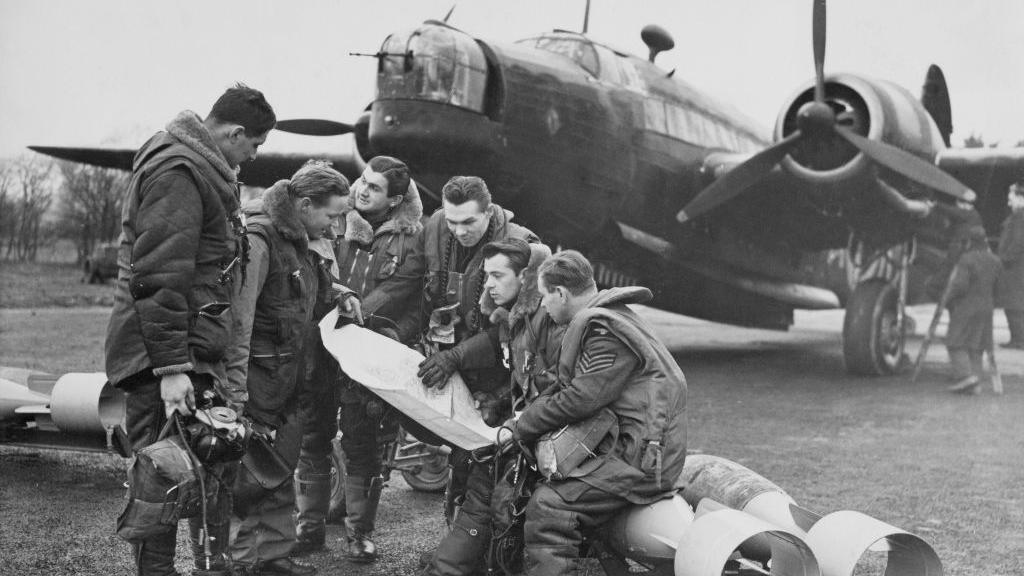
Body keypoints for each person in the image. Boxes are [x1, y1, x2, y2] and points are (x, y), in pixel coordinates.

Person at [106, 84, 275, 576]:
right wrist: (172, 369)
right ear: (235, 132)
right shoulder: (179, 172)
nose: (255, 155)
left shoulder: (200, 168)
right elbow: (159, 276)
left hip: (184, 349)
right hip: (162, 356)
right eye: (255, 145)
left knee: (200, 466)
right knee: (160, 476)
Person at [504, 250, 688, 576]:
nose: (543, 306)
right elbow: (573, 389)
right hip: (636, 449)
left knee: (550, 504)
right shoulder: (613, 317)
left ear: (561, 293)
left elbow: (582, 398)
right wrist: (524, 419)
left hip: (640, 459)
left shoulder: (604, 329)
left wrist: (523, 425)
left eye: (545, 297)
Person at [293, 156, 425, 562]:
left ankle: (359, 534)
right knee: (312, 434)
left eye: (374, 187)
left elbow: (415, 302)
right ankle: (309, 526)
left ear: (396, 198)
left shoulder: (412, 240)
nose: (362, 190)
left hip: (368, 354)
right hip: (321, 344)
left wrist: (391, 334)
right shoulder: (332, 221)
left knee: (361, 443)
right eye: (362, 181)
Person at [224, 161, 351, 576]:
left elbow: (303, 293)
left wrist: (338, 297)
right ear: (305, 204)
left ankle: (272, 556)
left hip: (289, 378)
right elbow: (239, 320)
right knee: (251, 474)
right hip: (258, 382)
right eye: (331, 216)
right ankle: (243, 563)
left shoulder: (299, 238)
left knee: (279, 466)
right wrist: (236, 393)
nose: (334, 228)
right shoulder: (260, 239)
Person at [419, 238, 563, 576]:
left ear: (525, 278)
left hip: (549, 430)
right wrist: (498, 398)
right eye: (487, 276)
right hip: (531, 421)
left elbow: (557, 386)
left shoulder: (547, 319)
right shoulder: (516, 318)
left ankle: (452, 567)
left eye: (498, 276)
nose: (489, 285)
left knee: (487, 479)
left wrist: (515, 424)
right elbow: (502, 349)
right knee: (480, 472)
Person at [415, 175, 539, 523]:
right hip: (449, 366)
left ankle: (480, 546)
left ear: (489, 212)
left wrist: (455, 356)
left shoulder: (523, 246)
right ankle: (457, 535)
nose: (459, 231)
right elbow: (413, 285)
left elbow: (511, 326)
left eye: (469, 221)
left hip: (496, 375)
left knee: (486, 461)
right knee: (458, 457)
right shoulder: (437, 226)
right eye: (452, 221)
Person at [945, 226, 1002, 394]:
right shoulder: (995, 260)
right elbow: (999, 288)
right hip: (987, 306)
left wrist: (947, 298)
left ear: (969, 241)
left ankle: (965, 377)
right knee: (976, 345)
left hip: (967, 306)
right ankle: (975, 382)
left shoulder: (966, 259)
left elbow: (960, 285)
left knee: (954, 342)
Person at [996, 181, 1024, 349]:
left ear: (1021, 198)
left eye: (1011, 198)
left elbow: (1018, 243)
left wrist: (1004, 259)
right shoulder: (1018, 216)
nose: (1008, 202)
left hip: (1016, 268)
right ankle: (1017, 338)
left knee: (1014, 304)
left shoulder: (1020, 217)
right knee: (1014, 304)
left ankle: (1019, 340)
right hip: (1015, 267)